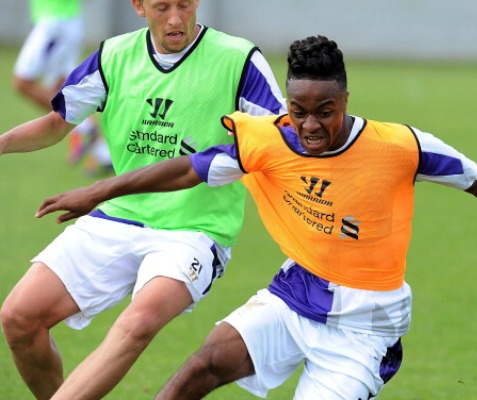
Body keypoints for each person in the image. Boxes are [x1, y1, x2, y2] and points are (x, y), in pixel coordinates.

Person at [34, 35, 477, 400]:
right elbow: (187, 169)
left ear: (346, 101)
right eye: (299, 110)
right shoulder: (269, 137)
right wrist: (98, 191)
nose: (311, 125)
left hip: (365, 325)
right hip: (296, 292)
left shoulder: (400, 147)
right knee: (203, 366)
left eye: (326, 111)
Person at [0, 0, 286, 398]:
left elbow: (283, 136)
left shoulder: (238, 59)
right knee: (18, 317)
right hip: (118, 215)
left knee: (137, 324)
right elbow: (54, 124)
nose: (175, 18)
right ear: (138, 6)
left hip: (195, 231)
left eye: (184, 5)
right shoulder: (113, 55)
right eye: (161, 7)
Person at [13, 0, 112, 174]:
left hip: (55, 23)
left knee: (23, 82)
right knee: (63, 91)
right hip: (64, 22)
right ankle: (103, 154)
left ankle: (85, 128)